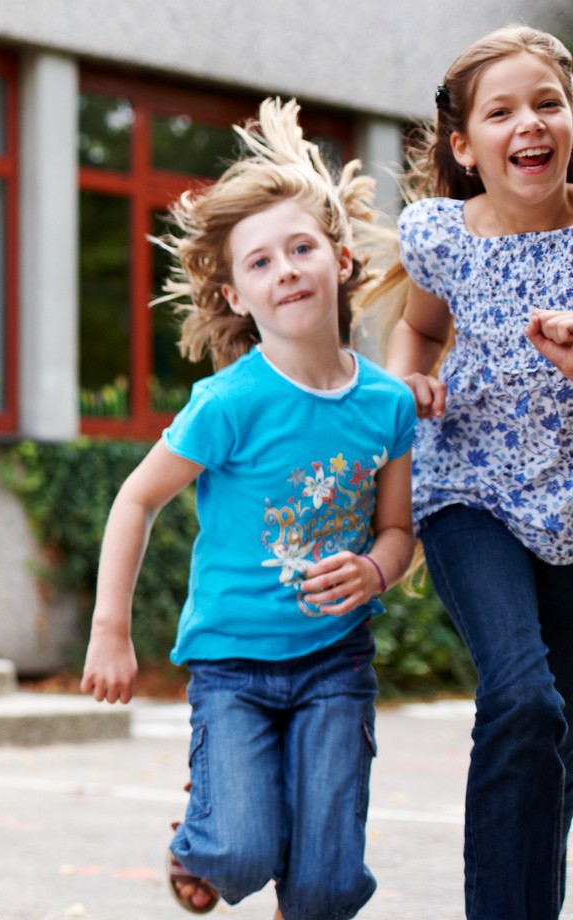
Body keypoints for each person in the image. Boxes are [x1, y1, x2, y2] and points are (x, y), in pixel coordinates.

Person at [80, 98, 416, 919]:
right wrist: (110, 631)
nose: (287, 269)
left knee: (327, 889)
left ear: (341, 260)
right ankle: (203, 836)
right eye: (260, 263)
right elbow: (137, 498)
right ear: (235, 294)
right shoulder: (226, 404)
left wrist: (376, 570)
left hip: (337, 661)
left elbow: (399, 530)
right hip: (233, 667)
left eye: (301, 248)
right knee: (238, 850)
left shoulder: (386, 404)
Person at [379, 25, 573, 920]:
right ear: (466, 145)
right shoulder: (439, 235)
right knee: (523, 697)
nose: (529, 124)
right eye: (502, 111)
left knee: (559, 729)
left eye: (548, 103)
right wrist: (408, 377)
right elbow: (418, 327)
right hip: (471, 495)